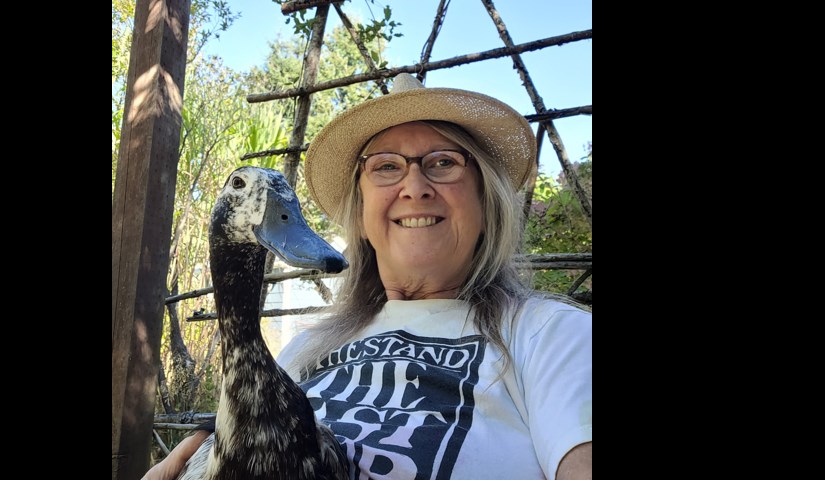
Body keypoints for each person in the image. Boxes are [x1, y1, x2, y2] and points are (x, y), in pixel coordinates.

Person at [144, 73, 592, 480]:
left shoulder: (550, 336)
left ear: (485, 198)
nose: (415, 186)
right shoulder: (306, 347)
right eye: (386, 167)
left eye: (442, 162)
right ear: (360, 212)